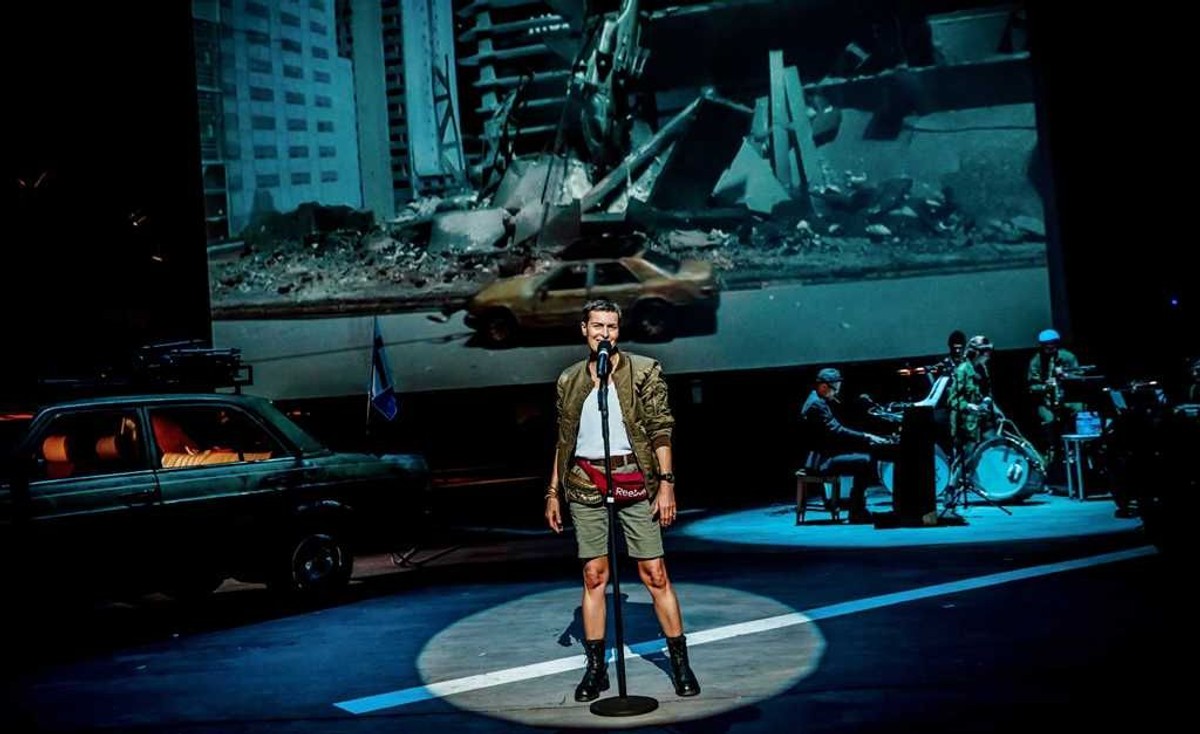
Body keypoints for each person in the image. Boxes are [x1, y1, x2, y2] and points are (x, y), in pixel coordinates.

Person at [544, 299, 700, 702]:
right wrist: (553, 492)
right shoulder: (569, 379)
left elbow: (661, 429)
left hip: (634, 478)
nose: (604, 334)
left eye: (611, 327)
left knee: (655, 573)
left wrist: (666, 483)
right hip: (584, 480)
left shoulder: (643, 370)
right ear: (584, 329)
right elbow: (564, 440)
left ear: (619, 331)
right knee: (594, 575)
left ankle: (679, 662)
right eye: (597, 326)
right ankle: (596, 670)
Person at [799, 367, 892, 524]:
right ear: (824, 387)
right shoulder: (817, 405)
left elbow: (832, 432)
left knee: (862, 456)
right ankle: (857, 511)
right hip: (821, 461)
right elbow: (836, 430)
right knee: (865, 461)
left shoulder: (817, 400)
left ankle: (856, 508)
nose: (836, 392)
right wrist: (866, 436)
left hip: (823, 455)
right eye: (835, 388)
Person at [1026, 328, 1081, 474]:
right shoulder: (1036, 361)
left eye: (1053, 344)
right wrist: (1046, 386)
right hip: (1046, 401)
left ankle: (1079, 447)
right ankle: (1052, 450)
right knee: (1049, 421)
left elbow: (1079, 377)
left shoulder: (1068, 357)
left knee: (1079, 411)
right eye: (1046, 345)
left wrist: (1066, 377)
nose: (1050, 347)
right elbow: (1032, 386)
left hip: (1067, 398)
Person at [947, 334, 997, 470]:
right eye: (985, 352)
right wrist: (968, 406)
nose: (988, 355)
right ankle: (957, 479)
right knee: (966, 456)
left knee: (992, 444)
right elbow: (952, 399)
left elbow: (987, 391)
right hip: (966, 422)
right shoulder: (962, 370)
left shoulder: (982, 369)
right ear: (976, 353)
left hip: (982, 418)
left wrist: (986, 401)